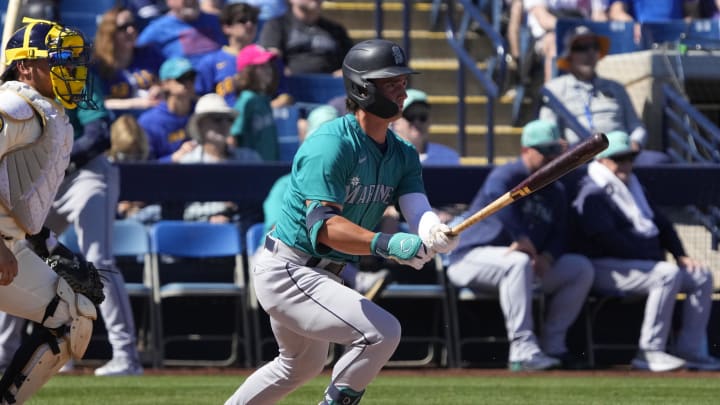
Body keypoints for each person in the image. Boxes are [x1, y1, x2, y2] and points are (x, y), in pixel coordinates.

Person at [224, 39, 459, 404]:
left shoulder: (403, 152)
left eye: (402, 80)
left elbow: (416, 206)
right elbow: (326, 227)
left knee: (297, 367)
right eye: (391, 81)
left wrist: (432, 231)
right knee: (382, 332)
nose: (402, 89)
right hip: (289, 268)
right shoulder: (331, 143)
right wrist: (388, 245)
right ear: (362, 87)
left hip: (322, 274)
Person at [0, 17, 104, 402]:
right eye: (59, 61)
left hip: (12, 245)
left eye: (74, 63)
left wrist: (50, 245)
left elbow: (19, 201)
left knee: (73, 314)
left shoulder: (46, 110)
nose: (71, 71)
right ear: (26, 66)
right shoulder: (13, 105)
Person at [446, 120, 594, 371]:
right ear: (526, 150)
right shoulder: (509, 174)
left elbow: (561, 232)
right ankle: (522, 350)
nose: (552, 158)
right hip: (469, 258)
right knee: (518, 262)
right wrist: (521, 238)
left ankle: (554, 346)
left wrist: (548, 255)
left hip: (524, 265)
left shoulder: (555, 190)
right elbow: (496, 197)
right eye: (544, 151)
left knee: (580, 269)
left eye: (555, 151)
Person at [570, 130, 720, 371]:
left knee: (701, 276)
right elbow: (609, 241)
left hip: (639, 266)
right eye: (619, 159)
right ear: (602, 161)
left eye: (629, 158)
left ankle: (691, 350)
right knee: (666, 274)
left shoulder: (634, 187)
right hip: (603, 267)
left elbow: (663, 224)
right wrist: (653, 257)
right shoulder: (593, 191)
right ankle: (649, 351)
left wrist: (680, 255)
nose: (626, 164)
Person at [539, 25, 670, 165]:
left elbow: (636, 127)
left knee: (660, 161)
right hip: (580, 157)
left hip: (619, 153)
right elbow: (548, 131)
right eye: (581, 48)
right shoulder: (554, 89)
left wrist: (635, 142)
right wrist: (557, 144)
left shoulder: (616, 87)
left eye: (594, 47)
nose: (589, 53)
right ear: (569, 55)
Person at [182, 93, 262, 224]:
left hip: (243, 226)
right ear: (200, 125)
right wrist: (211, 217)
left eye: (229, 120)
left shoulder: (250, 158)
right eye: (217, 119)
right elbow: (185, 210)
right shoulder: (187, 163)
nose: (225, 124)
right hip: (203, 233)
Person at [93, 6, 164, 116]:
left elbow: (169, 81)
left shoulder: (149, 53)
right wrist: (136, 103)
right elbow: (98, 103)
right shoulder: (99, 65)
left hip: (153, 116)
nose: (131, 30)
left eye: (133, 25)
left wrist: (159, 89)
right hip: (119, 123)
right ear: (109, 33)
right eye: (123, 27)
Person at [258, 0, 354, 76]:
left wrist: (344, 72)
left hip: (329, 87)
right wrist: (280, 69)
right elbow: (271, 57)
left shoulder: (336, 29)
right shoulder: (276, 26)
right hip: (292, 88)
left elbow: (352, 62)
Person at [194, 2, 261, 106]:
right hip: (224, 119)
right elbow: (201, 99)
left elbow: (283, 95)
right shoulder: (210, 62)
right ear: (227, 28)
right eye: (242, 20)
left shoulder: (265, 58)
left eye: (253, 20)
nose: (249, 24)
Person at [524, 0, 608, 82]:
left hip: (584, 32)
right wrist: (573, 30)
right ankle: (552, 91)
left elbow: (599, 15)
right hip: (547, 34)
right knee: (553, 42)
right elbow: (544, 19)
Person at [138, 57, 198, 161]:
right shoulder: (149, 122)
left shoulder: (202, 112)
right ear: (164, 84)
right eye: (182, 79)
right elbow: (145, 166)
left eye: (192, 77)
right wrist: (173, 158)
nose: (188, 83)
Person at [136, 0, 226, 67]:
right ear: (169, 2)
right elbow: (137, 54)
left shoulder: (217, 21)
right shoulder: (157, 29)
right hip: (186, 86)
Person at [229, 44, 280, 161]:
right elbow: (233, 137)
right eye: (261, 66)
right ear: (248, 71)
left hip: (269, 167)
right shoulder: (247, 100)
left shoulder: (264, 98)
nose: (268, 70)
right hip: (251, 169)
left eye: (268, 65)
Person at [391, 89, 461, 166]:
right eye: (410, 115)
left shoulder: (449, 158)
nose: (417, 122)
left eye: (422, 116)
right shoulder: (383, 158)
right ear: (394, 121)